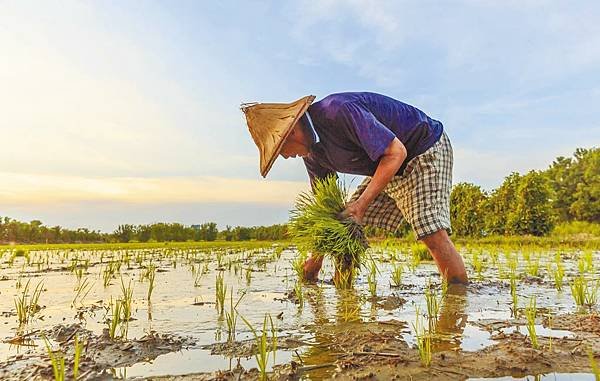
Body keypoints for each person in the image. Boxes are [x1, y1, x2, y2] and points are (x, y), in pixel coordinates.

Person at [242, 92, 468, 284]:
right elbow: (327, 213)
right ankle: (345, 300)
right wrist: (316, 258)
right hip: (388, 164)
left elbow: (395, 152)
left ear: (290, 132)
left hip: (423, 148)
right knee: (345, 227)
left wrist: (360, 206)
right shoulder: (312, 155)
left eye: (281, 150)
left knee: (429, 230)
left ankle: (457, 301)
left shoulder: (338, 111)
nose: (285, 156)